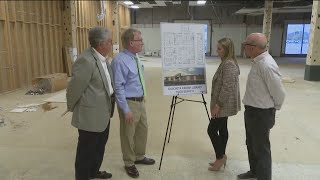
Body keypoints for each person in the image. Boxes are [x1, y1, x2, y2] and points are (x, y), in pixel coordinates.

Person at [66, 27, 115, 180]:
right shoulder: (85, 60)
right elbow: (74, 89)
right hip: (89, 116)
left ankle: (94, 172)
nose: (112, 44)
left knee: (99, 147)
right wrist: (74, 108)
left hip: (104, 113)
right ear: (101, 44)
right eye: (109, 41)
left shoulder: (102, 58)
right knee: (86, 151)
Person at [238, 33, 285, 180]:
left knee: (261, 148)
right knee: (251, 144)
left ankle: (264, 177)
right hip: (252, 110)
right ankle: (255, 171)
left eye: (245, 45)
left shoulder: (267, 65)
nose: (244, 48)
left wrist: (274, 108)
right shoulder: (258, 61)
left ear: (252, 48)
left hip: (261, 113)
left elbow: (279, 92)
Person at [111, 28, 155, 178]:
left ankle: (139, 156)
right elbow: (118, 87)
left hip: (140, 101)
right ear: (131, 42)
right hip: (129, 103)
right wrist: (125, 109)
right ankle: (129, 162)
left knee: (142, 130)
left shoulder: (135, 57)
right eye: (140, 40)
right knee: (128, 134)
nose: (142, 43)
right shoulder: (119, 61)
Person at [207, 37, 241, 171]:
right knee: (222, 129)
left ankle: (220, 157)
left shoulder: (229, 64)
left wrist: (218, 105)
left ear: (227, 50)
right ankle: (221, 156)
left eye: (219, 48)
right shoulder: (226, 62)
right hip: (222, 104)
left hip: (223, 104)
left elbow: (227, 87)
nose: (217, 51)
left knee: (211, 130)